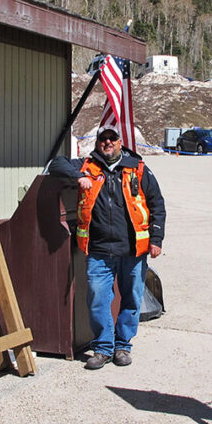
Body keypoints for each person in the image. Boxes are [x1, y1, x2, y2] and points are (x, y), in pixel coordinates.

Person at [49, 125, 166, 369]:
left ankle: (123, 346)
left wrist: (156, 240)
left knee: (132, 299)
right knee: (98, 299)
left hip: (132, 251)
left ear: (120, 142)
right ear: (97, 143)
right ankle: (103, 348)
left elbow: (157, 204)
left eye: (113, 139)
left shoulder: (138, 168)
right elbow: (56, 164)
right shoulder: (86, 166)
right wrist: (78, 177)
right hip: (99, 251)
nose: (108, 143)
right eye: (104, 139)